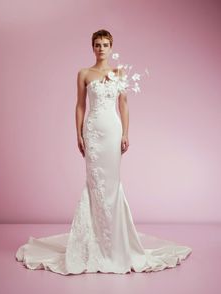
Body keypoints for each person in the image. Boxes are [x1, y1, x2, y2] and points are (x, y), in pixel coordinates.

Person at [15, 29, 192, 275]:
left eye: (105, 44)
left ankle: (116, 244)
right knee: (94, 183)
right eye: (97, 44)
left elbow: (124, 105)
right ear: (92, 47)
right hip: (93, 132)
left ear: (111, 47)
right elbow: (80, 105)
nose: (101, 48)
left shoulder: (119, 73)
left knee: (112, 184)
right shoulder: (84, 73)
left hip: (112, 131)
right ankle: (92, 244)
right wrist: (77, 133)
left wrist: (126, 133)